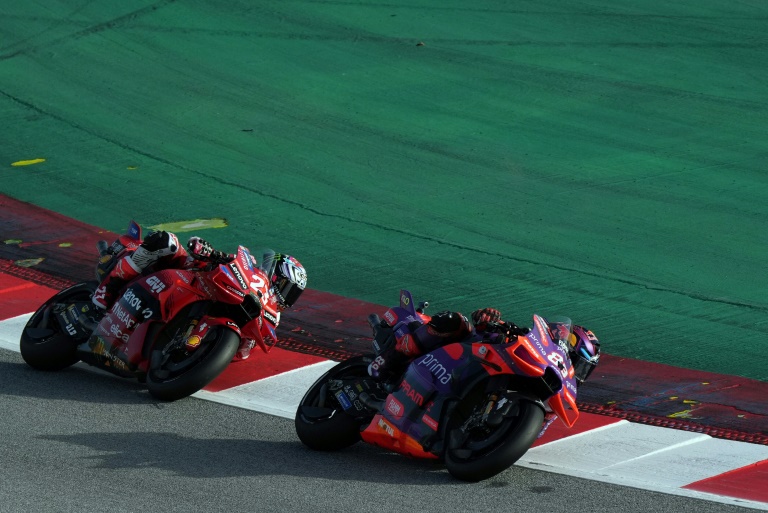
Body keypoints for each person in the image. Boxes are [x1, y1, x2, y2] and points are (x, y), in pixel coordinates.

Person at [367, 306, 601, 437]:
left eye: (583, 368)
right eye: (575, 360)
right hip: (458, 357)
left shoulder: (552, 397)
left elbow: (534, 434)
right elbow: (485, 332)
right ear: (563, 340)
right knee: (454, 321)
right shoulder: (529, 344)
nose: (575, 370)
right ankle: (388, 362)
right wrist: (487, 321)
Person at [91, 229, 307, 360]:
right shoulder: (250, 272)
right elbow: (203, 248)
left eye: (292, 293)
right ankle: (104, 294)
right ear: (275, 274)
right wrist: (209, 251)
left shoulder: (271, 318)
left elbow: (242, 354)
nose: (285, 296)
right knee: (166, 241)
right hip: (189, 275)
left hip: (201, 326)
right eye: (286, 286)